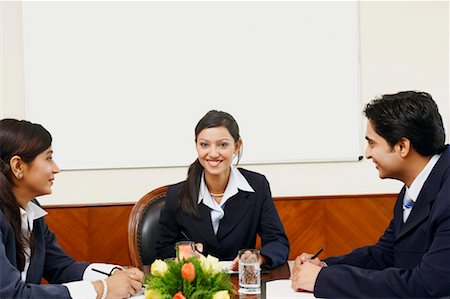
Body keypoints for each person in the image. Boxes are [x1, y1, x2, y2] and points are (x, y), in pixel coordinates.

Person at [291, 91, 450, 298]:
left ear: (402, 146)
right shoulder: (417, 184)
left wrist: (323, 279)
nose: (367, 153)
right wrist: (326, 266)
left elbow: (429, 284)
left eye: (372, 143)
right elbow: (386, 253)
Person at [0, 118, 145, 298]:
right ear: (18, 166)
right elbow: (11, 294)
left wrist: (115, 274)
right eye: (49, 158)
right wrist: (102, 289)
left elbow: (61, 268)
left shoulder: (31, 209)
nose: (56, 168)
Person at [155, 110, 289, 269]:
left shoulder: (257, 185)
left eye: (223, 145)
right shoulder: (176, 194)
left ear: (237, 146)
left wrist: (258, 258)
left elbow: (277, 242)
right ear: (196, 145)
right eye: (204, 144)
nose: (213, 153)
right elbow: (161, 249)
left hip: (241, 283)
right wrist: (184, 256)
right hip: (195, 285)